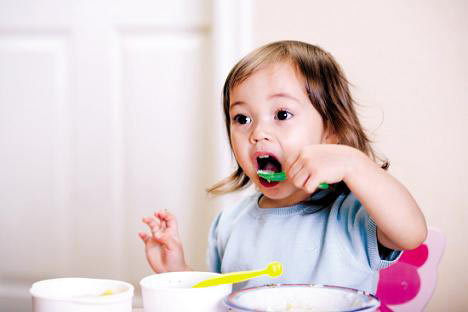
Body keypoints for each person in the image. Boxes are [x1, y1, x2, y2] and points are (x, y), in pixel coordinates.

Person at [138, 40, 427, 294]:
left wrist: (354, 164)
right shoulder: (229, 224)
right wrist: (178, 273)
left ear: (331, 132)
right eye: (242, 119)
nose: (257, 133)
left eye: (282, 114)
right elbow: (219, 300)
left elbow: (412, 233)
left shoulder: (353, 217)